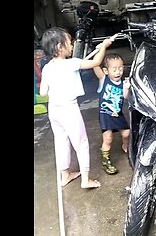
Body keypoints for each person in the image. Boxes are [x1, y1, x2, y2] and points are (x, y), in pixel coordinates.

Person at [40, 27, 113, 188]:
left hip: (54, 110)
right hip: (69, 110)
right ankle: (86, 180)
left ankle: (65, 175)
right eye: (69, 43)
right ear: (59, 47)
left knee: (61, 141)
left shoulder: (47, 68)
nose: (72, 46)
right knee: (81, 142)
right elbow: (95, 62)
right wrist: (104, 47)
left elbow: (43, 92)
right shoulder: (72, 63)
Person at [93, 53, 130, 175]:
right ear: (106, 70)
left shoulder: (122, 83)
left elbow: (125, 97)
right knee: (108, 139)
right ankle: (106, 161)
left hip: (117, 114)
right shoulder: (104, 80)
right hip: (106, 114)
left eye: (120, 68)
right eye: (114, 69)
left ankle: (125, 146)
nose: (118, 72)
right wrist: (101, 49)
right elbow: (95, 65)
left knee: (126, 133)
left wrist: (126, 87)